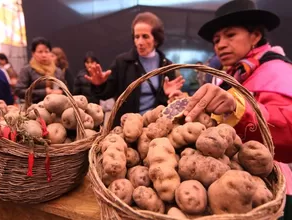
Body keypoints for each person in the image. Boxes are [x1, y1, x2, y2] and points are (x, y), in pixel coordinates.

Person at [180, 0, 292, 218]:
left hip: (268, 192)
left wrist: (239, 110)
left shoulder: (277, 70)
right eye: (216, 40)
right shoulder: (229, 75)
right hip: (224, 184)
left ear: (256, 36)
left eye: (230, 35)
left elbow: (288, 130)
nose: (220, 44)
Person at [85, 12, 184, 126]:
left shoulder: (166, 66)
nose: (140, 42)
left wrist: (168, 95)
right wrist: (100, 85)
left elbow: (165, 106)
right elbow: (106, 94)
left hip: (153, 127)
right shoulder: (122, 62)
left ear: (156, 40)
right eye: (137, 37)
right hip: (125, 127)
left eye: (145, 36)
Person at [15, 37, 65, 103]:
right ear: (33, 53)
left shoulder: (57, 70)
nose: (44, 55)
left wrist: (61, 92)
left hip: (56, 106)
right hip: (33, 108)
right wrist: (44, 92)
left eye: (46, 51)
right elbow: (19, 91)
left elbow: (65, 89)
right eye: (40, 52)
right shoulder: (27, 70)